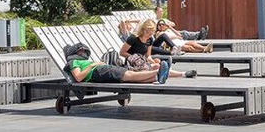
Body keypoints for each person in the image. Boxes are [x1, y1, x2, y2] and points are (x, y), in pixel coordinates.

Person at [62, 43, 194, 84]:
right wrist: (92, 65)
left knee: (131, 75)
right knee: (128, 74)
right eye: (80, 50)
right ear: (74, 52)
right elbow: (78, 78)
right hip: (97, 72)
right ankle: (158, 72)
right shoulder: (74, 61)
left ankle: (158, 76)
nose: (83, 52)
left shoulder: (82, 60)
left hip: (102, 69)